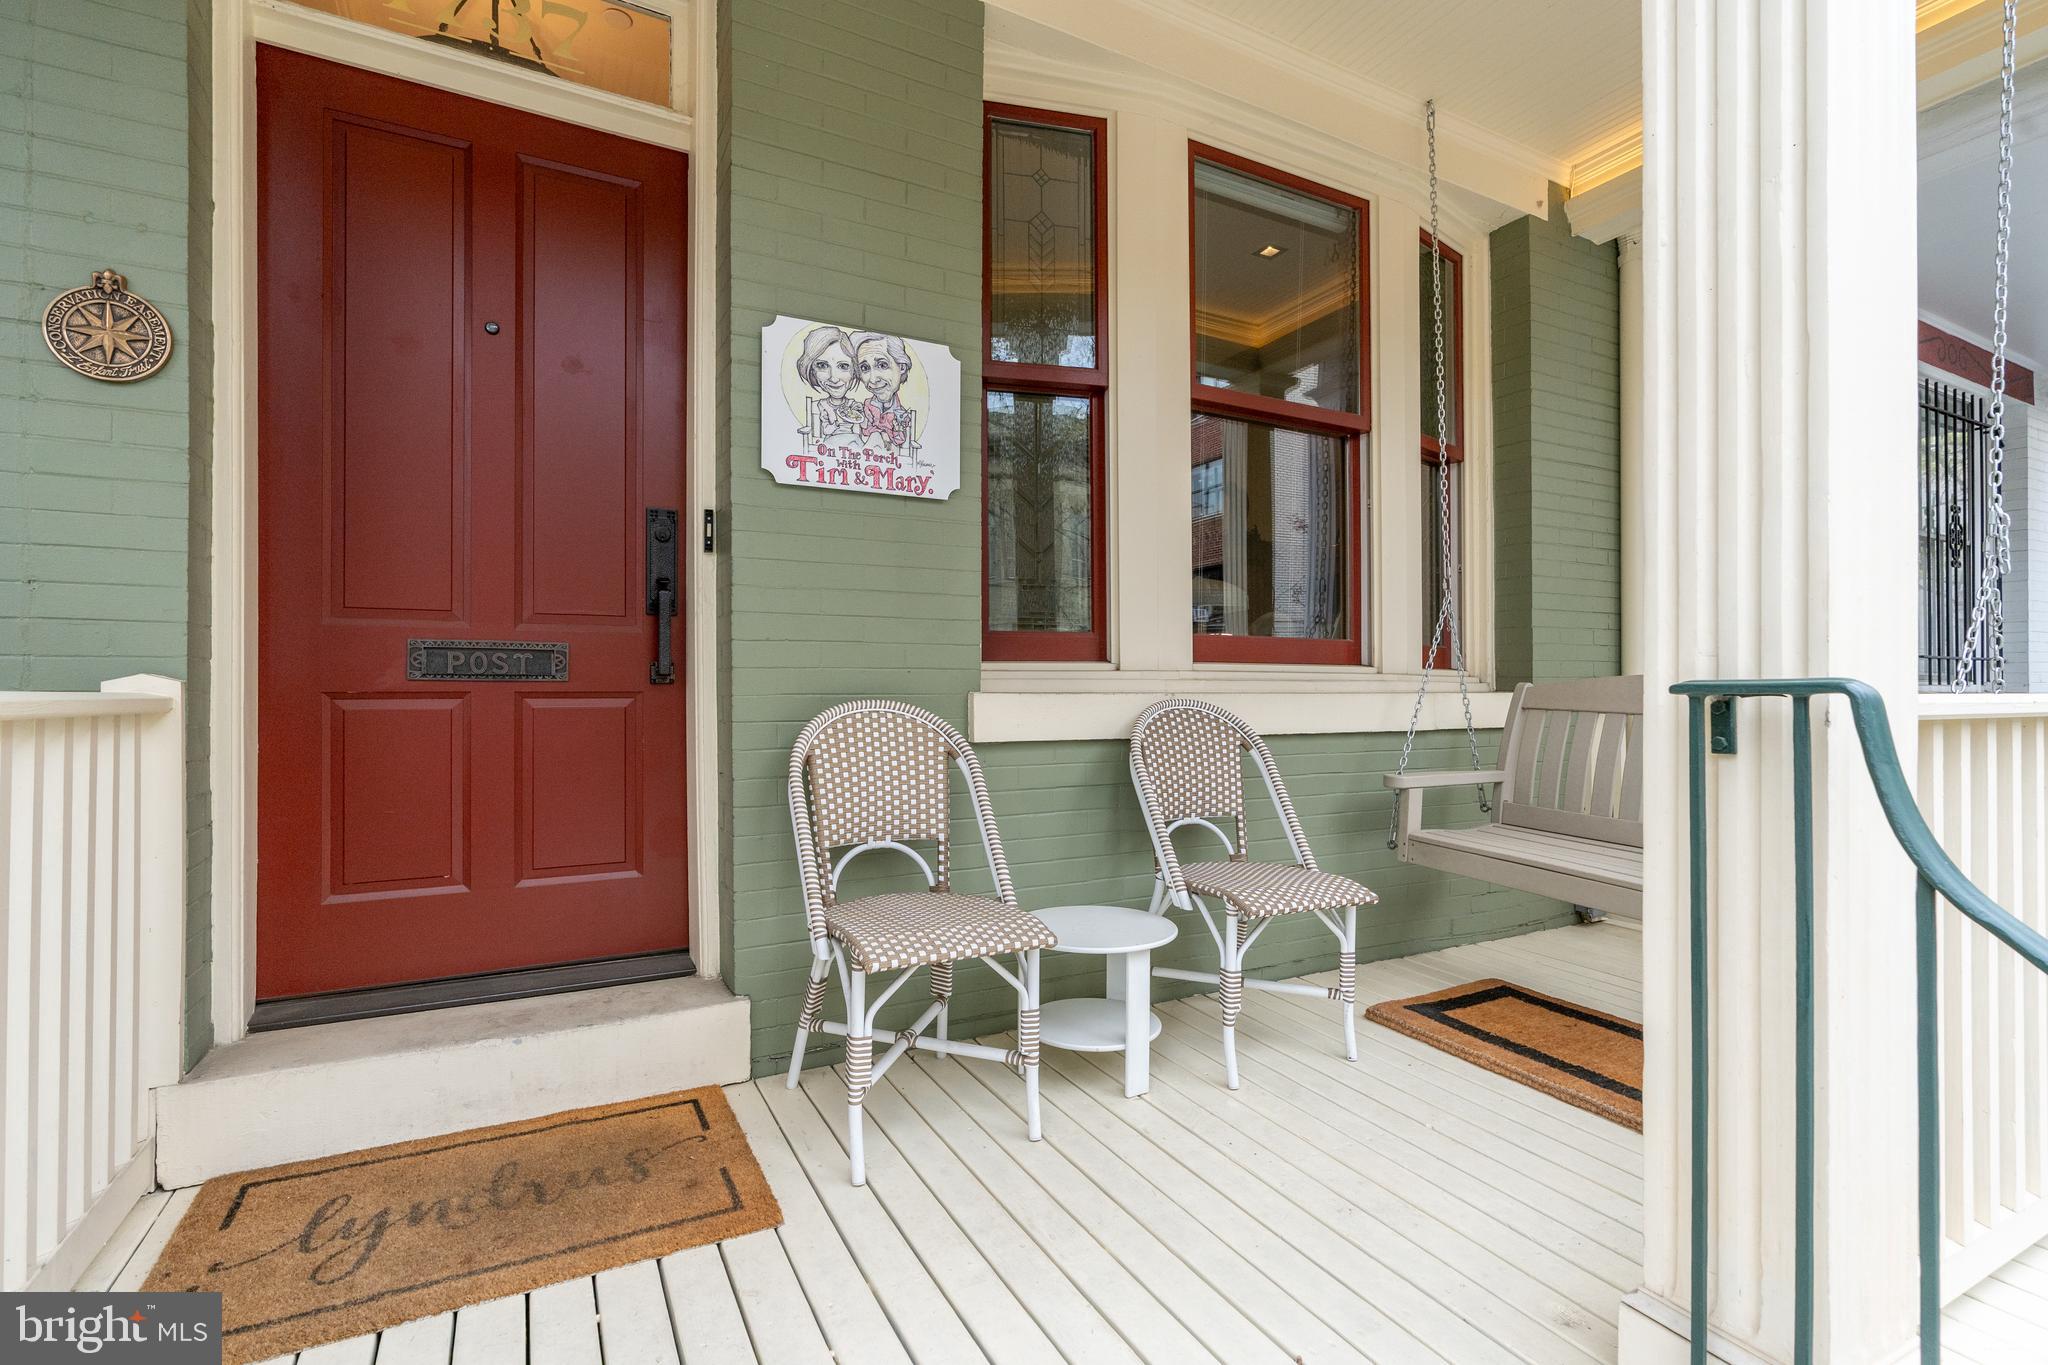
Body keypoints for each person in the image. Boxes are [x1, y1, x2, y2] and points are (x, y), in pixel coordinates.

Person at [850, 331, 919, 464]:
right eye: (864, 368)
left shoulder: (901, 414)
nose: (873, 379)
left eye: (882, 365)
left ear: (902, 367)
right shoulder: (867, 406)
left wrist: (895, 430)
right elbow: (863, 433)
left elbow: (900, 441)